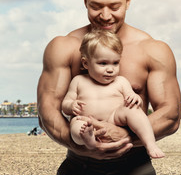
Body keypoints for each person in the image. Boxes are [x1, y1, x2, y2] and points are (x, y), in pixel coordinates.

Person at [37, 0, 181, 175]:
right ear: (85, 0)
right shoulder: (63, 47)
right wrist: (80, 144)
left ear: (128, 0)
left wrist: (126, 137)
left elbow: (171, 115)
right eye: (96, 6)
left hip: (134, 174)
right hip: (78, 173)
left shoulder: (153, 50)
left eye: (114, 6)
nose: (105, 16)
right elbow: (47, 113)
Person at [62, 29, 165, 159]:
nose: (110, 69)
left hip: (114, 117)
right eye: (103, 63)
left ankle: (150, 144)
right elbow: (65, 104)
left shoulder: (121, 81)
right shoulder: (78, 81)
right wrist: (71, 105)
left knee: (133, 110)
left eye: (115, 63)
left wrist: (135, 98)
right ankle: (89, 140)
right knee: (76, 126)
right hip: (86, 119)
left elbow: (134, 99)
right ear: (86, 63)